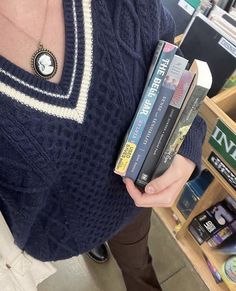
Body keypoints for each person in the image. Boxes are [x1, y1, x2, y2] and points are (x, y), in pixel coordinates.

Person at [0, 1, 207, 290]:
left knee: (139, 269)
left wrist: (185, 141)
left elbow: (171, 62)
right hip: (50, 236)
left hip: (130, 203)